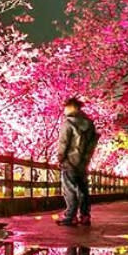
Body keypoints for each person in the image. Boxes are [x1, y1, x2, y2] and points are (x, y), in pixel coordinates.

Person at [56, 97, 98, 227]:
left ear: (72, 107)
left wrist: (60, 158)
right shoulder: (90, 124)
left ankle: (70, 216)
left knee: (69, 190)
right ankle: (85, 216)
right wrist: (86, 159)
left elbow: (63, 143)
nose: (64, 110)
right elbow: (93, 143)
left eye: (66, 107)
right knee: (83, 190)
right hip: (83, 162)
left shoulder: (68, 123)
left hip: (70, 161)